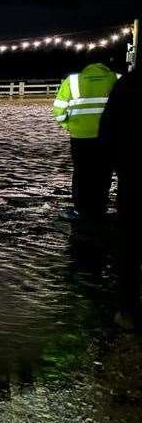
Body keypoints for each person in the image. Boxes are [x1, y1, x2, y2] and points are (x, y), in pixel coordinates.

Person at [99, 68, 140, 325]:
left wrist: (118, 169)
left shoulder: (127, 84)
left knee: (130, 246)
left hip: (133, 179)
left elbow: (107, 133)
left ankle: (128, 311)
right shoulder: (121, 82)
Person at [52, 62, 119, 219]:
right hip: (108, 137)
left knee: (81, 173)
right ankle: (99, 208)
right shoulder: (117, 79)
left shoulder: (72, 81)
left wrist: (68, 126)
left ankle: (80, 210)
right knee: (104, 172)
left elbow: (59, 110)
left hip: (80, 137)